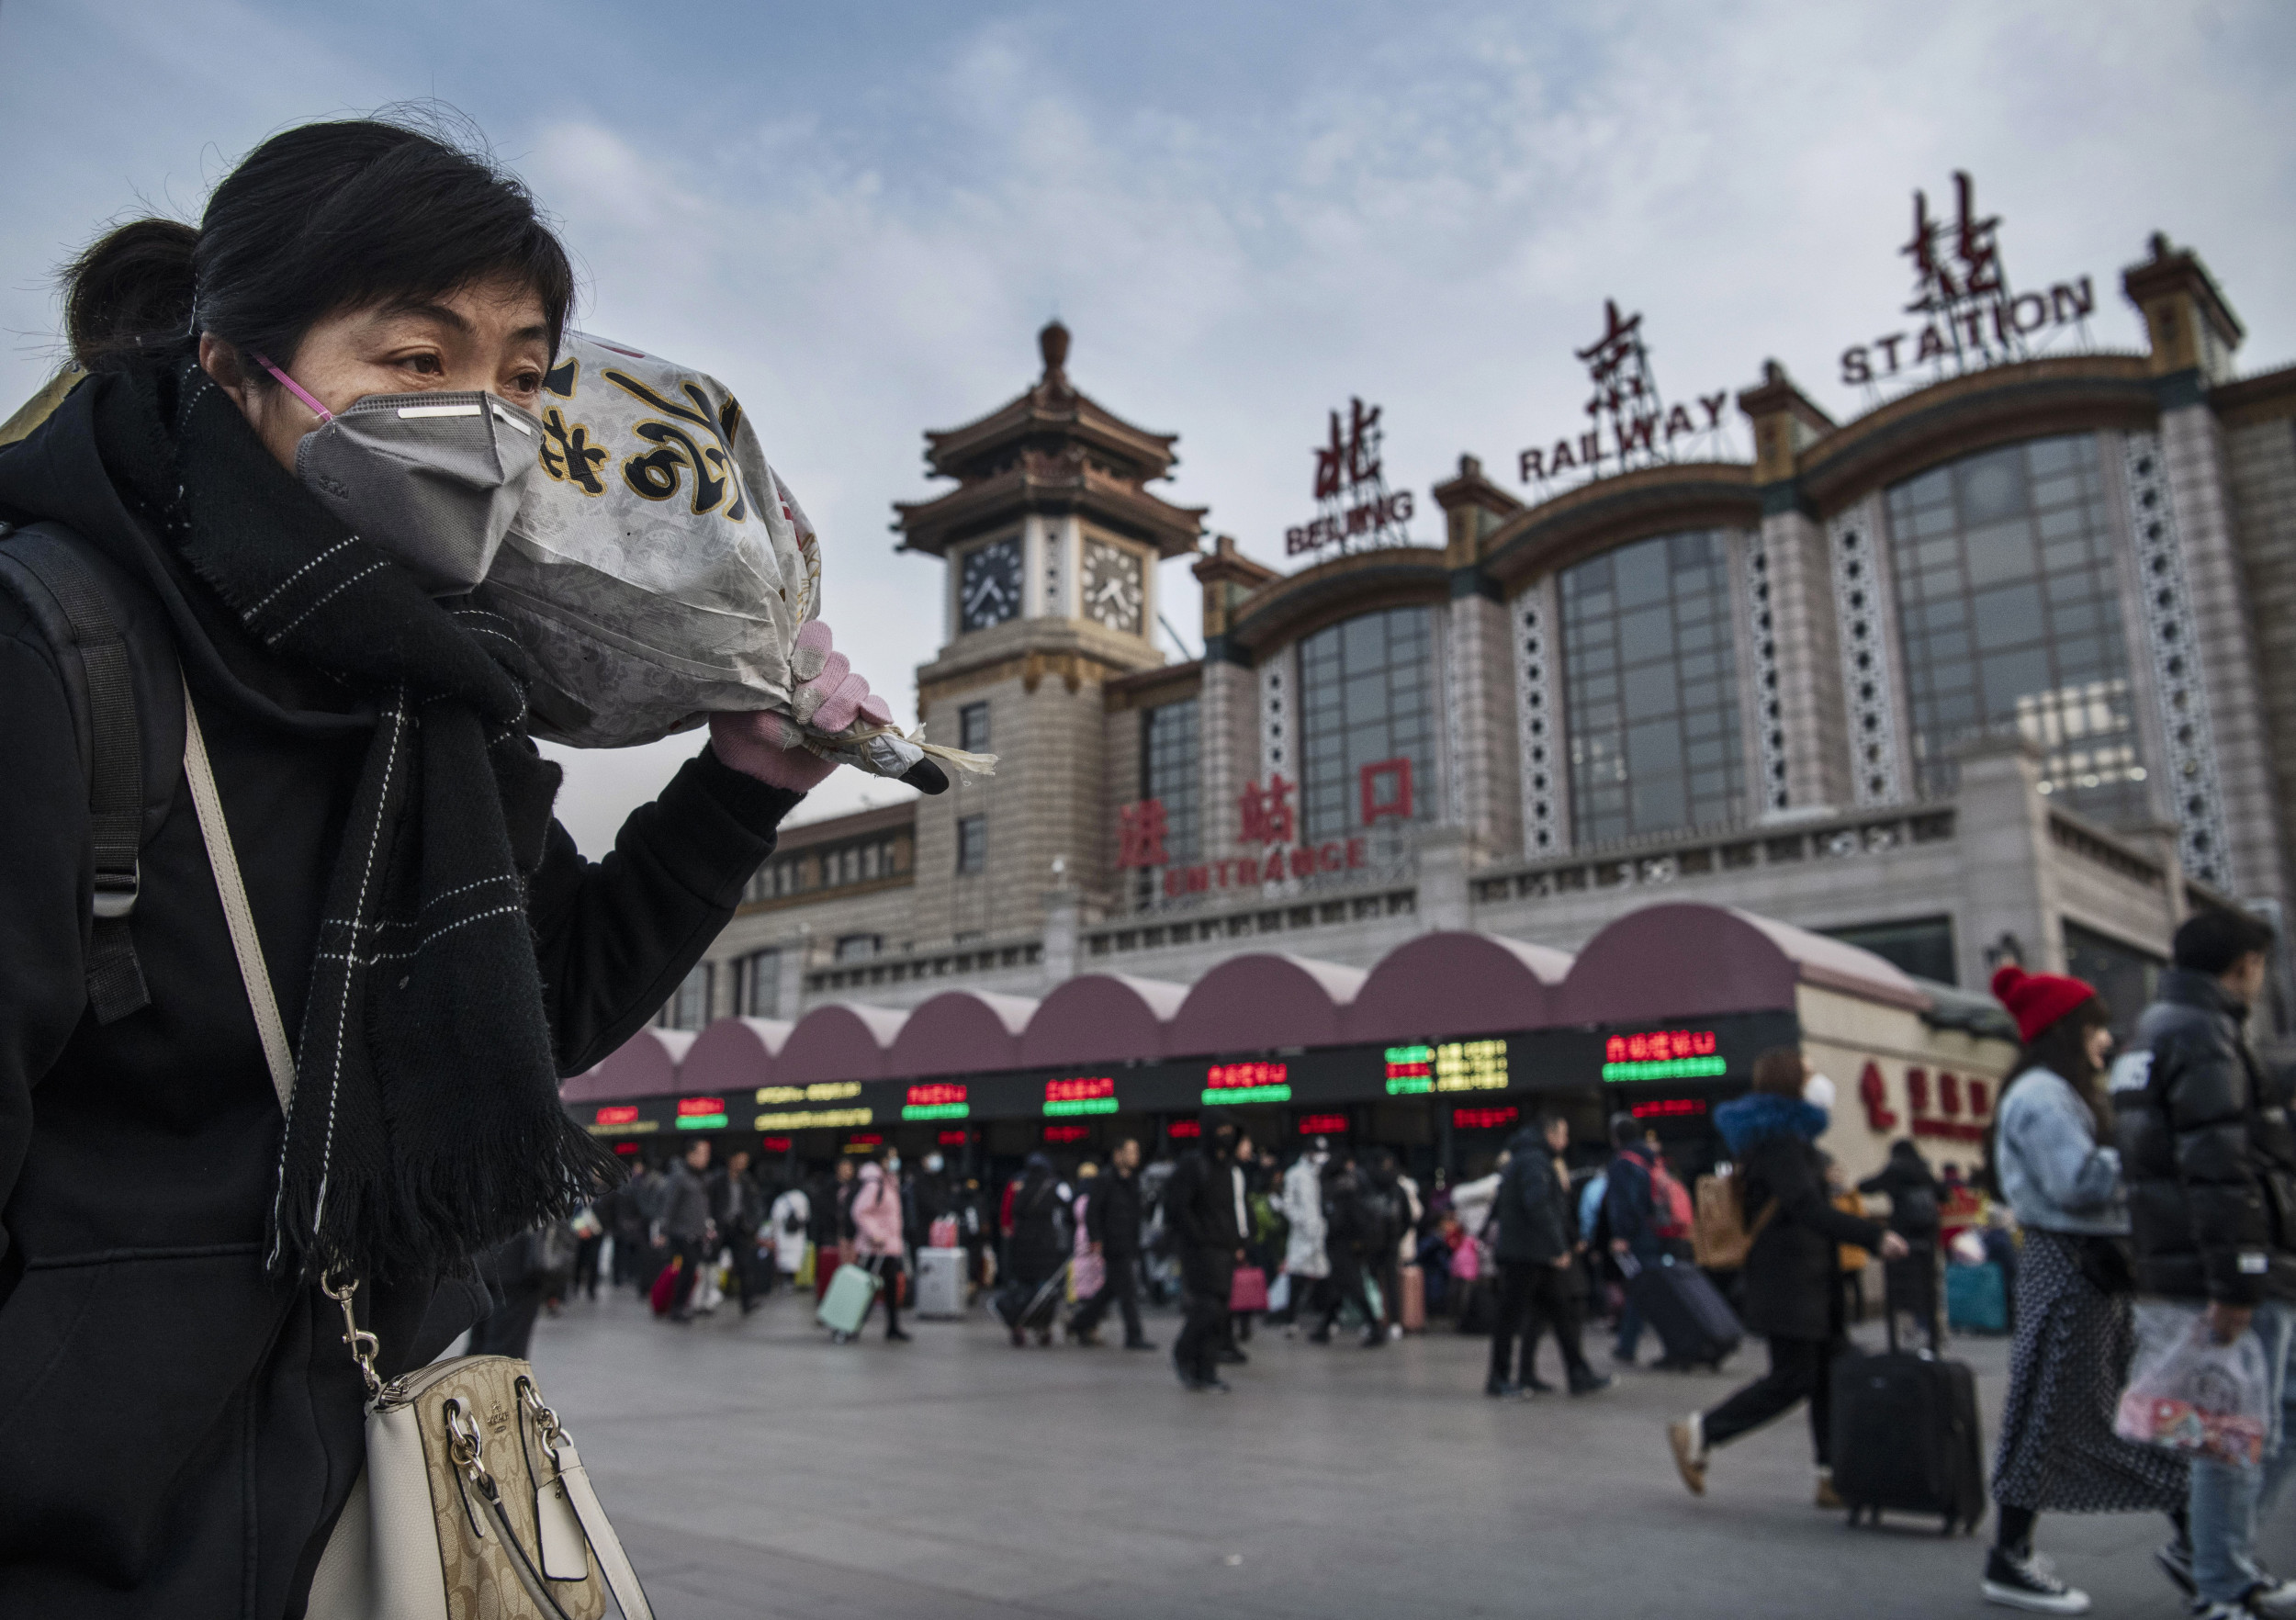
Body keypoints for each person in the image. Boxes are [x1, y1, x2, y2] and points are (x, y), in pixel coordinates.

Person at [0, 115, 917, 1609]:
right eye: (415, 360)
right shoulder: (60, 645)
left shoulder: (437, 690)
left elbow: (546, 997)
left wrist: (750, 778)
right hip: (97, 1530)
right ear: (233, 362)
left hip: (389, 1481)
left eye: (521, 375)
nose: (481, 419)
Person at [1971, 964, 2190, 1614]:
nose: (2105, 1040)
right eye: (2095, 1027)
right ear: (2068, 1030)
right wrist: (2146, 1153)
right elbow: (2077, 1182)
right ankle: (2199, 1540)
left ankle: (2013, 1556)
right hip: (2073, 1265)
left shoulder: (2045, 1091)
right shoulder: (2044, 1097)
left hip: (2072, 1266)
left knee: (2056, 1412)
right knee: (2087, 1411)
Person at [2120, 907, 2296, 1619]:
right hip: (2220, 1271)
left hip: (2196, 1262)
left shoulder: (2159, 1029)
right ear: (2245, 964)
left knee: (2261, 1417)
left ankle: (2220, 1557)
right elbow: (2219, 1166)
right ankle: (2218, 1575)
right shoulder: (2203, 1034)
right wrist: (2237, 1275)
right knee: (2235, 1429)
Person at [1667, 1048, 1905, 1505]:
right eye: (1810, 1073)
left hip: (1811, 1282)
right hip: (1790, 1285)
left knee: (1827, 1376)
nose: (1819, 1082)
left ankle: (1831, 1474)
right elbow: (1804, 1208)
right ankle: (1700, 1432)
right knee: (1793, 1379)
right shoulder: (1778, 1142)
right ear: (1790, 1083)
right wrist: (1872, 1237)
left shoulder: (1791, 1143)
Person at [1489, 1114, 1612, 1398]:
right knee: (1513, 1317)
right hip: (1528, 1254)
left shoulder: (1526, 1158)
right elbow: (1539, 1205)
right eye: (1563, 1134)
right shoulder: (1534, 1161)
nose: (1566, 1142)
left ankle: (1573, 1373)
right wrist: (1559, 1247)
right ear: (1549, 1133)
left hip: (1532, 1252)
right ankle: (1500, 1378)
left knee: (1558, 1311)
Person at [1167, 1114, 1250, 1390]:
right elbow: (1178, 1207)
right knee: (1208, 1307)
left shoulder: (1226, 1167)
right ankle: (1185, 1352)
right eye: (1221, 1129)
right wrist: (1198, 1236)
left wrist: (1237, 1241)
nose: (1226, 1136)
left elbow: (1230, 1209)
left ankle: (1206, 1369)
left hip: (1224, 1249)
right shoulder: (1194, 1165)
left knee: (1220, 1312)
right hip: (1200, 1251)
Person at [1861, 1138, 1944, 1345]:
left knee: (1905, 1287)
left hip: (1902, 1237)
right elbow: (1944, 1194)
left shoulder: (1895, 1171)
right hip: (1927, 1236)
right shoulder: (1923, 1171)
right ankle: (1931, 1329)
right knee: (1928, 1284)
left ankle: (1910, 1331)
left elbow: (1866, 1187)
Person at [1075, 1137, 1154, 1350]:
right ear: (1117, 1154)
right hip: (1113, 1243)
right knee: (1127, 1291)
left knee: (1111, 1289)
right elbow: (1093, 1212)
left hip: (1129, 1242)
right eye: (1130, 1152)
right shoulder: (1105, 1179)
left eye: (1136, 1152)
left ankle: (1080, 1322)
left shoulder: (1134, 1181)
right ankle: (1133, 1334)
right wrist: (1096, 1239)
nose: (1134, 1156)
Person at [1308, 1154, 1386, 1349]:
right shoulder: (1352, 1186)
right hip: (1350, 1246)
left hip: (1343, 1247)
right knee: (1339, 1289)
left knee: (1353, 1287)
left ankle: (1375, 1327)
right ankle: (1325, 1328)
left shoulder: (1339, 1191)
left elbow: (1339, 1221)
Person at [1605, 1116, 1665, 1364]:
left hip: (1638, 1234)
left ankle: (1627, 1345)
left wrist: (1622, 1234)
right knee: (1651, 1286)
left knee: (1639, 1288)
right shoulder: (1651, 1159)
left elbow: (1624, 1203)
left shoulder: (1623, 1163)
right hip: (1657, 1231)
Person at [1005, 1153, 1071, 1346]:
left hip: (1023, 1246)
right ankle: (1043, 1326)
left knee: (1023, 1288)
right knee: (1044, 1290)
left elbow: (1014, 1210)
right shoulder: (1053, 1187)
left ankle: (1018, 1324)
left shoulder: (1022, 1187)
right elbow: (1068, 1208)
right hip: (1045, 1246)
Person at [849, 1156, 909, 1343]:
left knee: (891, 1288)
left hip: (889, 1246)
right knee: (865, 1289)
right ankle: (851, 1325)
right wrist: (874, 1234)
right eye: (891, 1156)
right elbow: (859, 1211)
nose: (895, 1160)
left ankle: (892, 1327)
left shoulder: (890, 1183)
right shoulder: (874, 1184)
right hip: (873, 1247)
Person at [662, 1139, 716, 1322]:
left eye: (707, 1153)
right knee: (686, 1268)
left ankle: (682, 1304)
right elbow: (669, 1205)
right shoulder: (680, 1176)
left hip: (697, 1233)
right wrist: (663, 1231)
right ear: (690, 1154)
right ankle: (676, 1306)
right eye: (702, 1153)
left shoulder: (702, 1177)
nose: (705, 1158)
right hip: (681, 1233)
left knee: (691, 1269)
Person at [1280, 1138, 1333, 1329]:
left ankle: (1328, 1319)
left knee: (1324, 1277)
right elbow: (1288, 1204)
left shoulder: (1322, 1173)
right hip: (1301, 1235)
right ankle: (1290, 1319)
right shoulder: (1294, 1174)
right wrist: (1301, 1221)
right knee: (1296, 1277)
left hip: (1320, 1233)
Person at [709, 1148, 768, 1316]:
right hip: (720, 1226)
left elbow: (755, 1205)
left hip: (740, 1228)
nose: (742, 1164)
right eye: (739, 1159)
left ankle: (746, 1302)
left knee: (745, 1265)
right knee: (711, 1263)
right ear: (731, 1160)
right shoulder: (718, 1179)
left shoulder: (747, 1181)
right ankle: (707, 1299)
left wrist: (752, 1225)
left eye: (745, 1161)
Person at [768, 1178, 812, 1290]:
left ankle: (786, 1281)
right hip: (798, 1233)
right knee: (796, 1256)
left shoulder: (780, 1200)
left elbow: (775, 1218)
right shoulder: (801, 1197)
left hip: (784, 1234)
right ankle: (793, 1281)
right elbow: (806, 1216)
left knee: (784, 1257)